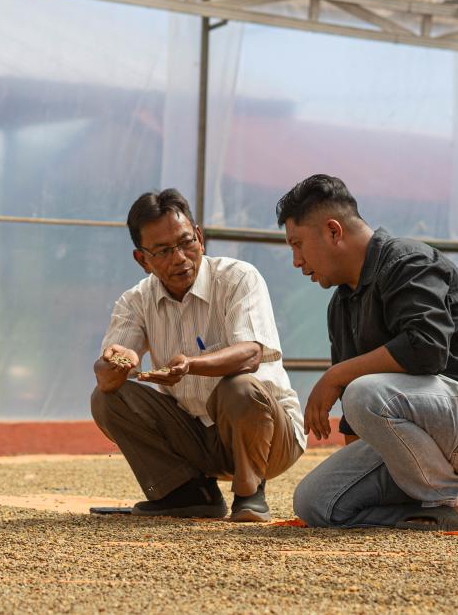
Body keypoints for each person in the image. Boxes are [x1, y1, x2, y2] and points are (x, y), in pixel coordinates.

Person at [281, 175, 458, 530]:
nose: (295, 260)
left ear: (333, 231)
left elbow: (427, 348)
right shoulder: (340, 305)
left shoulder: (407, 261)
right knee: (316, 503)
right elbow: (358, 423)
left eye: (298, 244)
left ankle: (451, 500)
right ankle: (455, 511)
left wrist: (336, 376)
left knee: (362, 391)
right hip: (427, 442)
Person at [92, 189, 305, 522]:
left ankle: (250, 494)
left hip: (272, 436)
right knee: (106, 398)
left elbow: (250, 354)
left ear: (201, 238)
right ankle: (189, 493)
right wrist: (115, 363)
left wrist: (191, 365)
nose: (179, 258)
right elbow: (110, 368)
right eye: (162, 251)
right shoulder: (135, 301)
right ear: (142, 259)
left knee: (239, 387)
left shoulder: (238, 278)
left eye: (185, 242)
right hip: (198, 437)